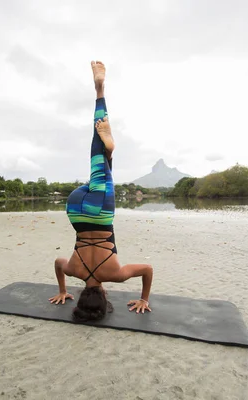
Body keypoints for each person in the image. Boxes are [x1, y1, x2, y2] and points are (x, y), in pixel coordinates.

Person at [49, 61, 153, 322]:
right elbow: (57, 263)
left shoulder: (114, 274)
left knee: (102, 158)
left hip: (101, 212)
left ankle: (100, 92)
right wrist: (62, 289)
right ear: (81, 296)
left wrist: (144, 299)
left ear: (105, 297)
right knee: (99, 161)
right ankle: (107, 151)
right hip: (75, 208)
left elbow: (148, 269)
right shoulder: (74, 270)